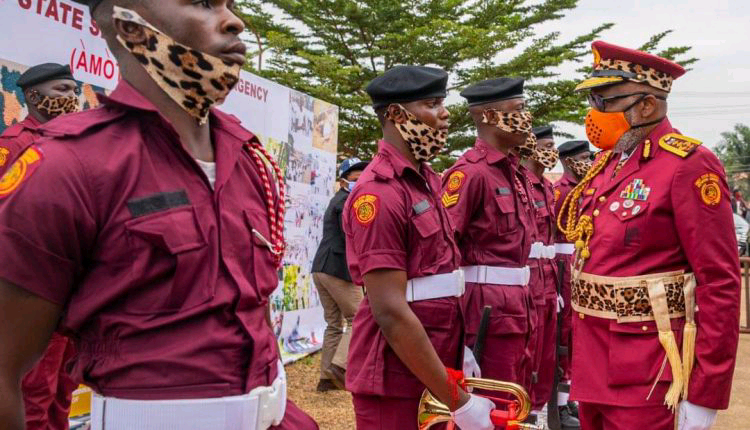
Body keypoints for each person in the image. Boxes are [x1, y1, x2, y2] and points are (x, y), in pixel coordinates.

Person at [0, 0, 318, 429]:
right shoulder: (67, 167)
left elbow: (254, 312)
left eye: (231, 4)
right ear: (126, 22)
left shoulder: (248, 159)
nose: (234, 21)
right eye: (202, 3)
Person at [558, 40, 740, 430]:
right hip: (592, 364)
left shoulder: (688, 165)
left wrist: (706, 393)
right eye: (592, 100)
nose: (594, 113)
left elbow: (719, 281)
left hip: (649, 370)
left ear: (647, 106)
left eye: (604, 101)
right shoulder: (606, 164)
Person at [343, 65, 494, 430]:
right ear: (396, 114)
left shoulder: (425, 180)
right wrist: (457, 401)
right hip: (396, 375)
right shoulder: (380, 193)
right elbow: (390, 309)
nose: (445, 114)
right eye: (432, 103)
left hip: (432, 362)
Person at [441, 78, 537, 409]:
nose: (527, 119)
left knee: (513, 399)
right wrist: (457, 334)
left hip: (517, 306)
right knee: (490, 403)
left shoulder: (513, 171)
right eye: (519, 110)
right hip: (484, 312)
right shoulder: (471, 173)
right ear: (489, 116)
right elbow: (443, 249)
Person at [0, 63, 80, 430]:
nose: (73, 98)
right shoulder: (14, 145)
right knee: (34, 390)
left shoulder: (74, 143)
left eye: (74, 90)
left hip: (75, 287)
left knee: (65, 386)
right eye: (63, 90)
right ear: (33, 96)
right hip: (34, 288)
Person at [523, 125, 581, 429]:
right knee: (530, 355)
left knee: (556, 346)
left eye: (553, 145)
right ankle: (534, 415)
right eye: (545, 144)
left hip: (552, 275)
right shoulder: (538, 187)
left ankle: (555, 408)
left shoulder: (546, 187)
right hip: (531, 278)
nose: (550, 151)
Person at [311, 157, 368, 391]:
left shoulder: (338, 200)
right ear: (344, 181)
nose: (361, 180)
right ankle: (340, 367)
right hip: (337, 270)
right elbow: (354, 238)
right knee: (361, 318)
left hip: (321, 268)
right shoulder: (346, 203)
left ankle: (327, 378)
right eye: (356, 177)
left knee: (333, 324)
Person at [552, 139, 593, 421]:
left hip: (580, 263)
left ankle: (569, 398)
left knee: (577, 334)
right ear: (567, 161)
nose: (588, 163)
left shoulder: (589, 188)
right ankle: (560, 404)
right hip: (562, 265)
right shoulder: (559, 191)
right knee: (563, 335)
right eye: (582, 158)